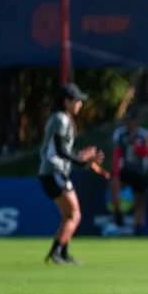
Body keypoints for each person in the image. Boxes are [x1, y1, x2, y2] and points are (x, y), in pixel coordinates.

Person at [37, 83, 110, 265]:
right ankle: (56, 253)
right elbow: (61, 151)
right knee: (74, 215)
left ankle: (62, 254)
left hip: (51, 171)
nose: (80, 105)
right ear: (66, 101)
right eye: (77, 101)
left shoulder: (59, 118)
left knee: (68, 215)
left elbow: (62, 149)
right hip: (54, 171)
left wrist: (81, 155)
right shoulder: (61, 119)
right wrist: (84, 162)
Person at [110, 108, 148, 235]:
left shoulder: (143, 135)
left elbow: (145, 154)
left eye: (131, 121)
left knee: (140, 200)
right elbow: (117, 155)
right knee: (114, 186)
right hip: (126, 170)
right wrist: (116, 175)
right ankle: (118, 214)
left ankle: (138, 226)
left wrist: (135, 144)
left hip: (140, 171)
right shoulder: (120, 134)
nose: (129, 123)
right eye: (127, 120)